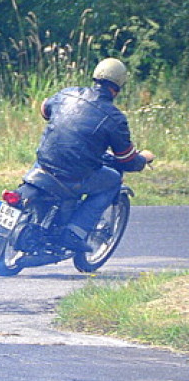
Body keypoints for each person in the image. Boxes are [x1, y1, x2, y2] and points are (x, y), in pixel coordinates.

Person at [31, 57, 154, 252]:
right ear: (119, 85)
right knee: (113, 180)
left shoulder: (67, 93)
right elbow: (127, 160)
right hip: (74, 174)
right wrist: (144, 158)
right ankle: (74, 232)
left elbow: (45, 109)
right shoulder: (114, 118)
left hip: (43, 164)